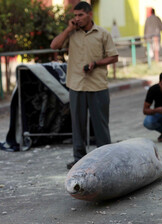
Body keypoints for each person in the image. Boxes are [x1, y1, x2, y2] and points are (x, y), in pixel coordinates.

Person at [50, 2, 118, 169]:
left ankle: (104, 159)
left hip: (98, 86)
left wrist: (96, 63)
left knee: (101, 125)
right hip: (76, 85)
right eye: (75, 15)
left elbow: (113, 57)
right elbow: (54, 46)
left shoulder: (103, 34)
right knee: (78, 125)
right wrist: (68, 30)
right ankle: (79, 159)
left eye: (80, 15)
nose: (77, 18)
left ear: (89, 15)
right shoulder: (72, 34)